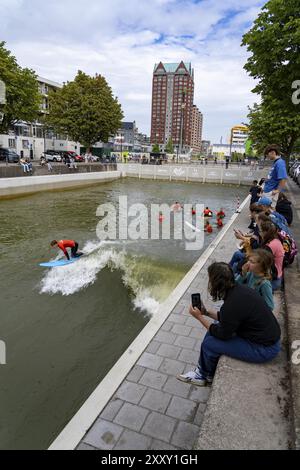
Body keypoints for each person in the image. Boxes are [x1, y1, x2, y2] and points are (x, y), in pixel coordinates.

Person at [177, 263, 281, 386]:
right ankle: (208, 371)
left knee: (209, 343)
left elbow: (223, 334)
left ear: (216, 283)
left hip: (264, 348)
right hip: (266, 339)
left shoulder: (231, 303)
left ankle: (201, 375)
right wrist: (206, 312)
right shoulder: (239, 290)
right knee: (214, 328)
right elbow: (228, 318)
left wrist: (199, 318)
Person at [260, 221, 284, 291]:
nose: (260, 232)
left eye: (261, 231)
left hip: (273, 281)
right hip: (278, 276)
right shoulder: (276, 240)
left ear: (265, 232)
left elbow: (261, 264)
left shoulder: (269, 246)